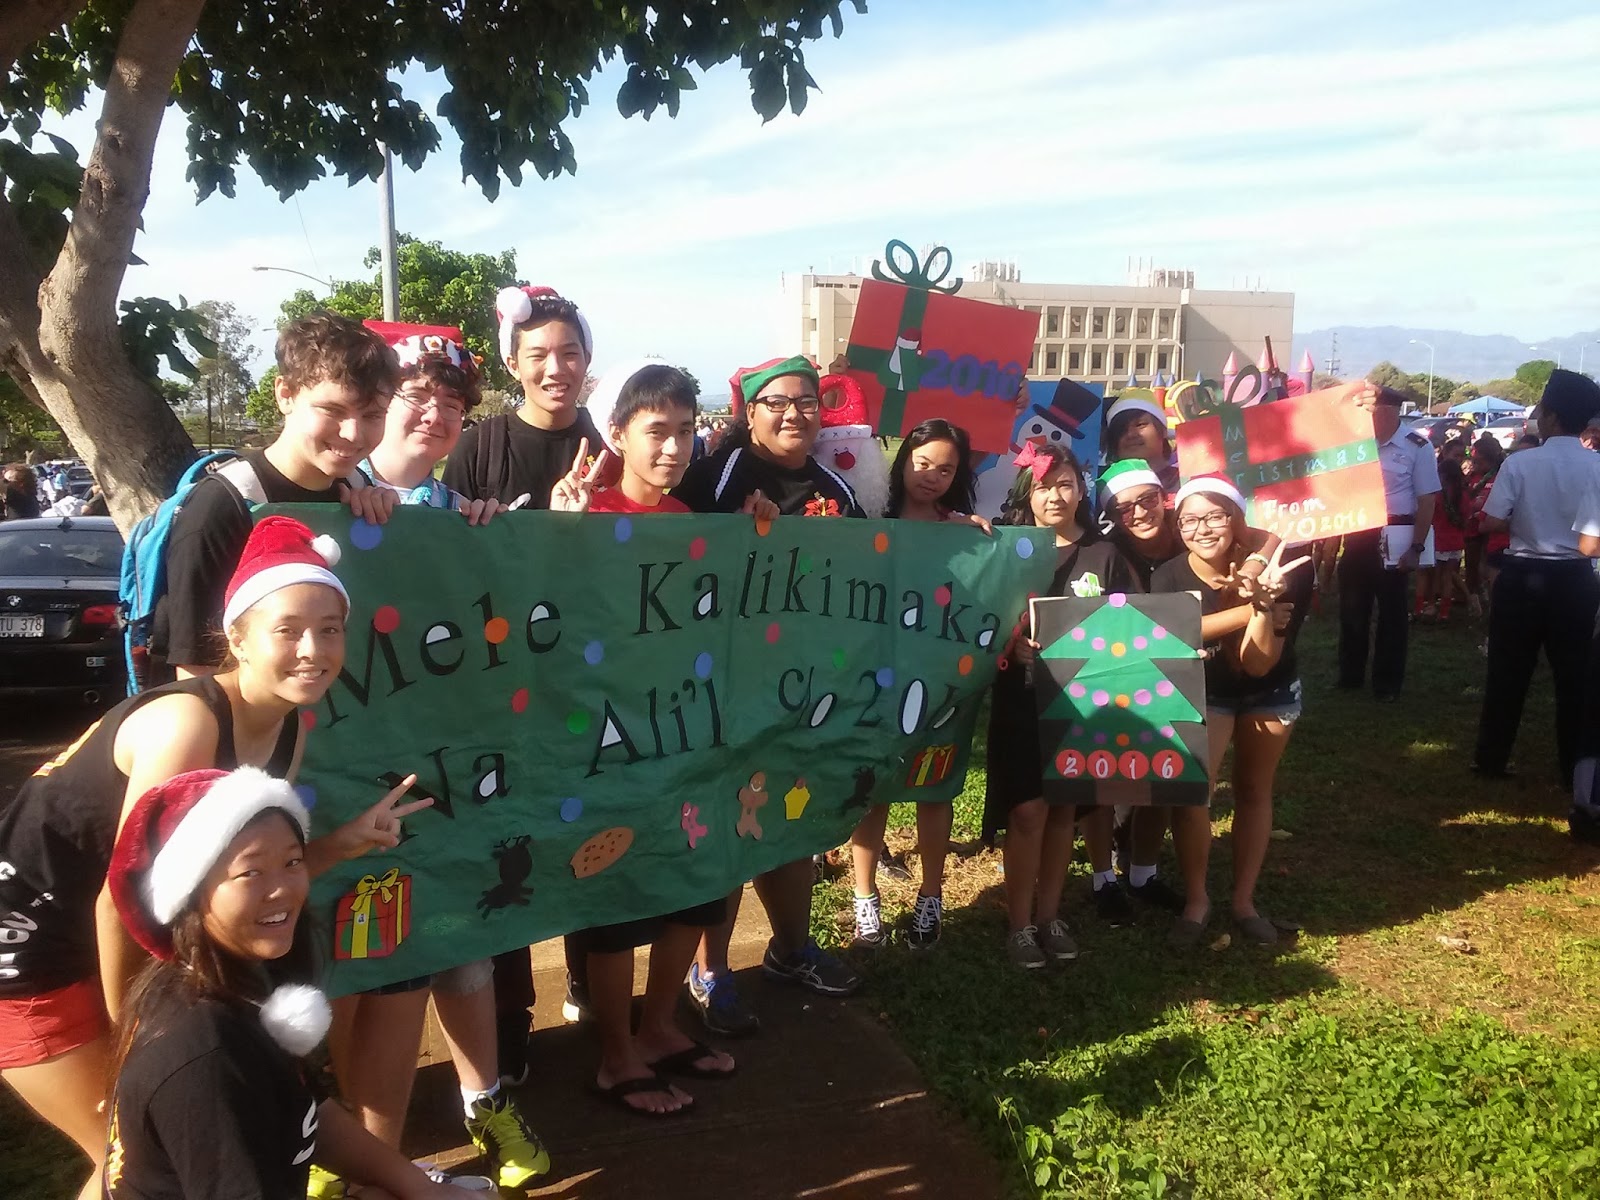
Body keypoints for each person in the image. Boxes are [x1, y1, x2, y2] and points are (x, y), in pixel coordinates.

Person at [0, 516, 427, 1197]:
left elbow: (237, 879)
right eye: (288, 630)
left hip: (97, 931)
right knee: (129, 1144)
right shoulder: (188, 725)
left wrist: (342, 843)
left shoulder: (287, 727)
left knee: (136, 1149)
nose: (313, 650)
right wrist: (138, 1038)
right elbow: (125, 898)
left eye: (330, 629)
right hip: (29, 949)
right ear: (238, 639)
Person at [329, 326, 549, 1188]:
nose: (435, 414)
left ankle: (483, 1102)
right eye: (418, 395)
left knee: (464, 941)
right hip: (346, 778)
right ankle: (347, 1145)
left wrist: (488, 536)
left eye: (453, 403)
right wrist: (349, 507)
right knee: (359, 959)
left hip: (449, 772)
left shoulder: (461, 513)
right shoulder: (327, 496)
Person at [102, 767, 478, 1198]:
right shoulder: (206, 1057)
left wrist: (424, 1189)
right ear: (191, 891)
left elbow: (310, 1109)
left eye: (293, 862)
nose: (280, 889)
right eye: (251, 873)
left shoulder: (239, 981)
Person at [548, 359, 753, 1115]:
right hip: (606, 744)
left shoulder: (690, 522)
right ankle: (616, 1055)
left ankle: (660, 1026)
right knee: (614, 896)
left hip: (682, 733)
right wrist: (559, 536)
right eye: (656, 431)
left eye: (685, 431)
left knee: (697, 882)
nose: (673, 447)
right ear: (618, 434)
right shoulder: (580, 515)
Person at [672, 355, 866, 1035]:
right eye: (777, 402)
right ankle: (710, 970)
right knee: (729, 824)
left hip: (804, 687)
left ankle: (790, 949)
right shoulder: (716, 475)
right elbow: (672, 559)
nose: (793, 414)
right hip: (724, 687)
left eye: (806, 401)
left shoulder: (836, 488)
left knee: (792, 816)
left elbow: (874, 564)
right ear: (749, 412)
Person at [149, 312, 397, 681]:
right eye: (333, 410)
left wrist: (393, 527)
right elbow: (197, 678)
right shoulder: (222, 507)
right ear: (285, 394)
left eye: (373, 415)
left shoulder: (361, 493)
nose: (353, 434)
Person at [983, 442, 1141, 968]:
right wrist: (1012, 646)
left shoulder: (1105, 555)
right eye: (1043, 486)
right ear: (1027, 493)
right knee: (1028, 810)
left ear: (1081, 490)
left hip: (1083, 702)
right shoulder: (1006, 549)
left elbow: (1130, 627)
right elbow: (981, 618)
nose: (1054, 496)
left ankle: (1050, 916)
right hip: (1021, 699)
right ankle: (1020, 925)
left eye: (1065, 484)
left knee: (1063, 812)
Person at [1152, 478, 1311, 945]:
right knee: (1194, 794)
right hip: (1205, 689)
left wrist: (1263, 604)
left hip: (1269, 688)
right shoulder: (1168, 577)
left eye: (1214, 517)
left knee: (1255, 790)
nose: (1201, 529)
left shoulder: (1280, 570)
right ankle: (1197, 900)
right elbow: (1175, 632)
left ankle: (1244, 902)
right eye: (1189, 520)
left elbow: (1259, 664)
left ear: (1236, 520)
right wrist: (1251, 610)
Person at [849, 419, 984, 952]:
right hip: (875, 680)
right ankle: (865, 898)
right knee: (872, 790)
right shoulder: (870, 524)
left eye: (945, 469)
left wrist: (982, 544)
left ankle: (931, 896)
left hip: (939, 682)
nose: (931, 476)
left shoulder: (964, 532)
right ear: (903, 460)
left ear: (958, 475)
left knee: (935, 787)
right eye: (923, 463)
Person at [1473, 369, 1600, 781]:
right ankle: (1572, 768)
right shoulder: (1596, 466)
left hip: (1522, 575)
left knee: (1507, 673)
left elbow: (1491, 521)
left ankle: (1491, 760)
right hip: (1576, 580)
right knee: (1574, 677)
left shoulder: (1520, 462)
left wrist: (1526, 520)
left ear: (1552, 417)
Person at [441, 285, 602, 507]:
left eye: (569, 354)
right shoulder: (477, 450)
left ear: (587, 358)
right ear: (513, 365)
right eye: (538, 356)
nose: (555, 369)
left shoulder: (611, 440)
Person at [1336, 386, 1440, 700]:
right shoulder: (1356, 442)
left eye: (1373, 410)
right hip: (1359, 530)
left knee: (1392, 612)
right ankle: (1350, 675)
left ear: (1389, 411)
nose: (1367, 415)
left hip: (1396, 532)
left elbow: (1427, 500)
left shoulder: (1417, 446)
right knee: (1352, 607)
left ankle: (1387, 683)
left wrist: (1416, 547)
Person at [1416, 438, 1469, 622]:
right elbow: (1466, 517)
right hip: (1456, 542)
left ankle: (1427, 606)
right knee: (1448, 577)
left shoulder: (1438, 496)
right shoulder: (1463, 496)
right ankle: (1445, 611)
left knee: (1433, 576)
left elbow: (1429, 515)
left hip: (1439, 541)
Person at [1463, 434, 1508, 621]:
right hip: (1472, 528)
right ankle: (1474, 600)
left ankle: (1489, 599)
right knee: (1472, 565)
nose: (1474, 464)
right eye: (1473, 460)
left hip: (1492, 529)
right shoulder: (1472, 477)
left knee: (1488, 567)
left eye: (1478, 460)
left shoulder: (1501, 476)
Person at [1104, 396, 1180, 492]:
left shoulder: (1189, 482)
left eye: (1140, 425)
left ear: (1163, 430)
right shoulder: (1099, 490)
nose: (1131, 434)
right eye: (1121, 429)